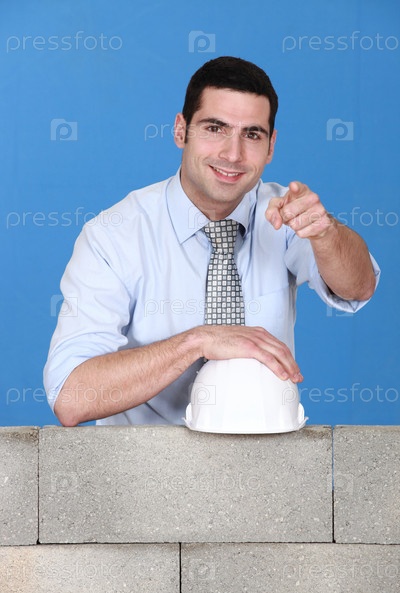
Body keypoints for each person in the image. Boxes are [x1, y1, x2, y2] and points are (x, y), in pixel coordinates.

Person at [44, 56, 380, 427]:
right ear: (180, 130)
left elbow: (358, 287)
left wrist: (325, 232)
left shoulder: (284, 214)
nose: (232, 154)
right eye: (215, 128)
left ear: (271, 147)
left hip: (263, 452)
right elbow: (71, 398)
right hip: (143, 458)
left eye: (252, 134)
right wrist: (198, 341)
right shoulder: (114, 235)